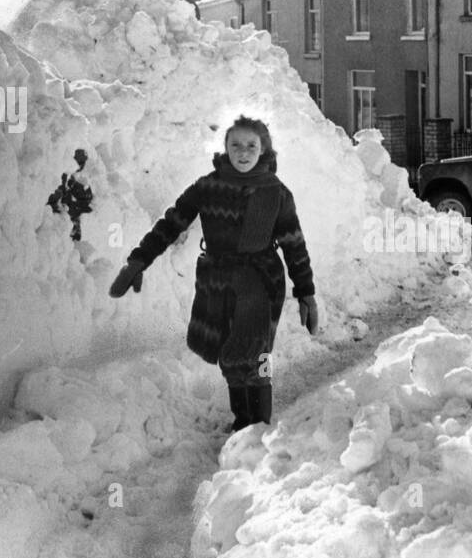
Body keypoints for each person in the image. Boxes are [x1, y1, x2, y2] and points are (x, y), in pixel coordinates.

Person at [108, 116, 318, 431]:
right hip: (217, 280)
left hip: (260, 281)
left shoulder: (275, 192)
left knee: (251, 353)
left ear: (263, 150)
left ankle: (258, 422)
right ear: (226, 147)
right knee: (227, 353)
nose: (243, 152)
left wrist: (306, 292)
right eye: (236, 145)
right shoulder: (208, 186)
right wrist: (140, 259)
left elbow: (294, 244)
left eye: (251, 145)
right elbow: (172, 222)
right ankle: (243, 420)